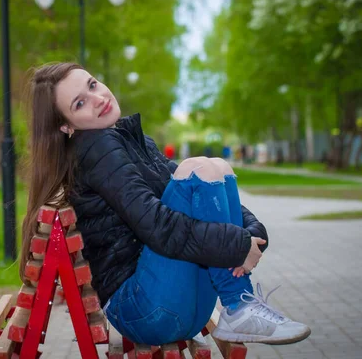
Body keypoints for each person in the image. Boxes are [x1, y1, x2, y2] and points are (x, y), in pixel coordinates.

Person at [19, 63, 311, 346]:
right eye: (80, 103)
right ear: (66, 126)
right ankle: (238, 305)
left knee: (215, 167)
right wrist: (236, 245)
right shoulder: (96, 147)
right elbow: (159, 227)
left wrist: (252, 233)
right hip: (145, 311)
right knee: (199, 169)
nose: (98, 99)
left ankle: (239, 305)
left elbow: (196, 199)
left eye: (93, 84)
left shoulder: (130, 138)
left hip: (172, 306)